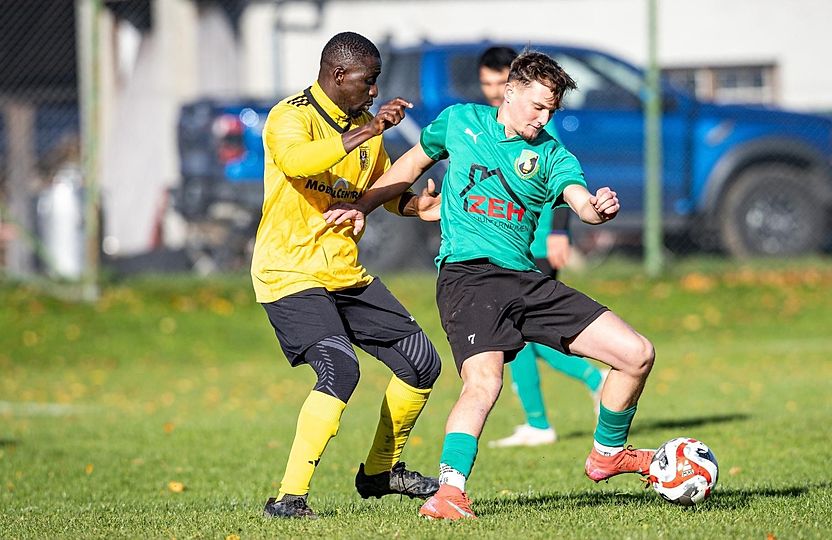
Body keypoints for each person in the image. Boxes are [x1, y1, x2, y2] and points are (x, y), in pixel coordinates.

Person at [324, 50, 656, 521]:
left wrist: (596, 208)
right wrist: (363, 205)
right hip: (468, 276)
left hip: (525, 279)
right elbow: (408, 167)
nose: (543, 119)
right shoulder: (459, 122)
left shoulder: (552, 154)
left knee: (637, 353)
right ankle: (450, 493)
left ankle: (608, 453)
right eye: (537, 107)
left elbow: (577, 199)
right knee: (484, 382)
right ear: (510, 91)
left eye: (551, 111)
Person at [251, 31, 443, 519]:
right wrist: (370, 129)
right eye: (368, 81)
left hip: (344, 273)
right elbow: (299, 161)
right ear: (339, 75)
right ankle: (288, 499)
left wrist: (418, 204)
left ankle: (381, 472)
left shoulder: (363, 127)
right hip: (289, 272)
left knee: (421, 362)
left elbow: (377, 189)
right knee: (340, 367)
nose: (374, 91)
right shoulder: (289, 116)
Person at [478, 46, 608, 449]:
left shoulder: (538, 128)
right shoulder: (486, 126)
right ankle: (541, 418)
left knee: (521, 335)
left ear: (514, 84)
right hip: (502, 248)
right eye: (486, 84)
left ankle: (578, 389)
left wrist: (560, 231)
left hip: (532, 245)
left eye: (498, 83)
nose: (492, 91)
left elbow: (565, 182)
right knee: (520, 337)